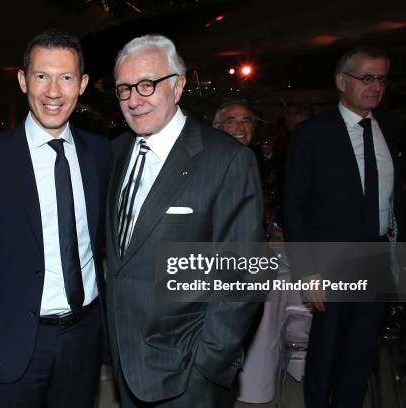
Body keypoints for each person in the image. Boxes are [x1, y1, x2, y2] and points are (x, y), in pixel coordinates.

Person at [0, 29, 111, 408]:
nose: (53, 91)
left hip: (85, 336)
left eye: (66, 77)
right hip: (13, 337)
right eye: (41, 76)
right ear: (23, 80)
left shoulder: (100, 155)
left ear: (82, 84)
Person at [106, 34, 264, 407]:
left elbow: (243, 274)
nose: (134, 99)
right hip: (124, 357)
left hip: (188, 369)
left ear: (178, 86)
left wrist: (208, 363)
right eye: (124, 88)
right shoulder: (115, 152)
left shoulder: (225, 159)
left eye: (147, 84)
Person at [284, 46, 402, 407]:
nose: (375, 87)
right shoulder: (312, 135)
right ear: (341, 81)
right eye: (366, 78)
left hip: (379, 256)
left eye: (381, 79)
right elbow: (295, 208)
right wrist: (307, 271)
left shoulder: (392, 129)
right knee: (326, 353)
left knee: (362, 352)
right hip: (331, 260)